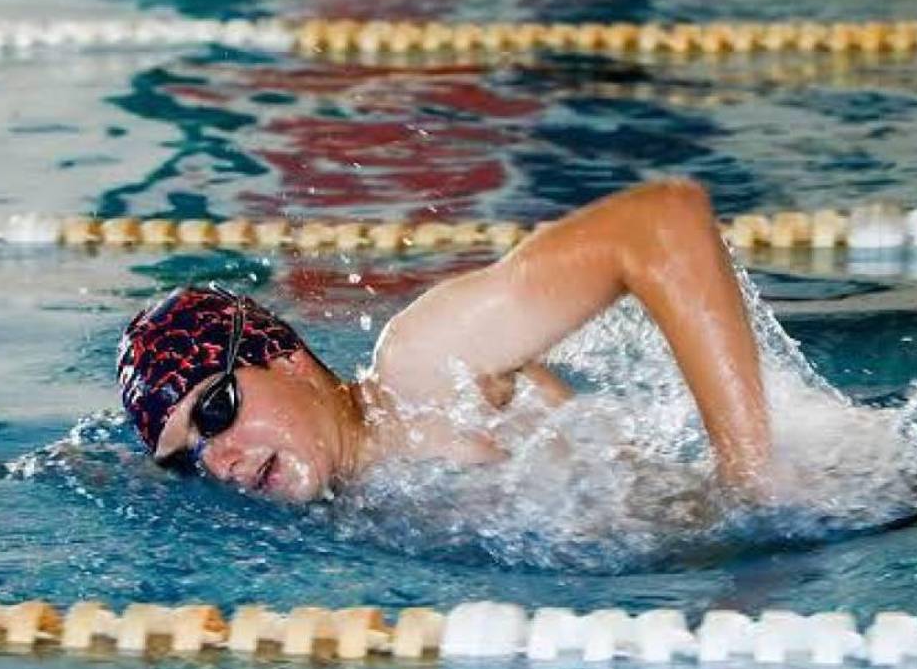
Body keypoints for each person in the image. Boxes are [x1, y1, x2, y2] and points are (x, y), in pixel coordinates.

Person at [117, 179, 770, 502]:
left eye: (215, 409)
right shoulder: (347, 495)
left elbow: (661, 220)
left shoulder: (423, 372)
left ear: (283, 356)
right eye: (187, 458)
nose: (220, 461)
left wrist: (750, 480)